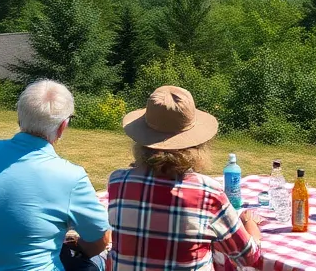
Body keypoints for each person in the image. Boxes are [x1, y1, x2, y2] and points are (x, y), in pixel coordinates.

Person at [0, 79, 110, 271]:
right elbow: (100, 239)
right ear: (63, 126)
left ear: (19, 118)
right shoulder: (71, 176)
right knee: (99, 261)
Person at [107, 85, 262, 271]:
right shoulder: (208, 192)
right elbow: (248, 257)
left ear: (141, 141)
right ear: (196, 145)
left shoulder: (118, 182)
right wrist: (250, 223)